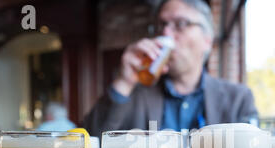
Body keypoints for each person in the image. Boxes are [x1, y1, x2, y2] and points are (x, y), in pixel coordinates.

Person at [83, 0, 257, 137]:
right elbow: (90, 146)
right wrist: (124, 82)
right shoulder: (135, 94)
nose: (165, 34)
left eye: (180, 24)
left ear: (207, 40)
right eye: (161, 26)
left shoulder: (238, 99)